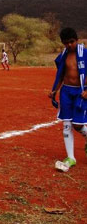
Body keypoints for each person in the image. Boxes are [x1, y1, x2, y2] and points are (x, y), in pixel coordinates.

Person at [49, 27, 87, 172]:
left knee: (78, 124)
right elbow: (61, 74)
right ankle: (70, 157)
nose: (69, 45)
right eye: (66, 43)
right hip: (66, 91)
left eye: (71, 42)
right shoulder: (64, 55)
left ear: (77, 40)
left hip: (80, 92)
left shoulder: (85, 54)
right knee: (66, 125)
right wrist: (54, 90)